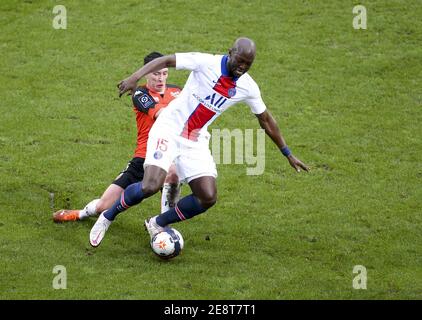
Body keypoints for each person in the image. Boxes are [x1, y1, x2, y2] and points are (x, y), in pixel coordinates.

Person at [89, 37, 309, 247]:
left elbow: (266, 120)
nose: (242, 67)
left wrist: (287, 153)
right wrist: (134, 77)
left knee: (207, 196)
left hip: (194, 139)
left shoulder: (248, 87)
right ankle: (108, 216)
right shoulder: (206, 62)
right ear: (230, 53)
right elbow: (165, 60)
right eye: (240, 61)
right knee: (150, 185)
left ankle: (158, 222)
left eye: (248, 64)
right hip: (169, 128)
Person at [53, 52, 182, 223]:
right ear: (146, 73)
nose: (161, 78)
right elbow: (161, 115)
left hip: (171, 152)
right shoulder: (140, 94)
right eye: (156, 73)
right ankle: (80, 213)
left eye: (164, 73)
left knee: (172, 173)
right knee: (103, 206)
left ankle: (162, 225)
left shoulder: (177, 91)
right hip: (144, 155)